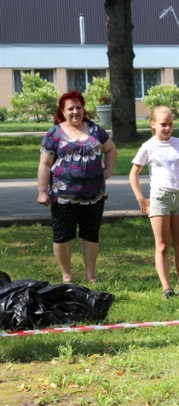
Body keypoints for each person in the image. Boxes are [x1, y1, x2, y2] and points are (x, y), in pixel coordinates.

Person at [37, 90, 117, 284]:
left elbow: (111, 149)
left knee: (91, 234)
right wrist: (42, 191)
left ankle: (91, 276)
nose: (75, 112)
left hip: (94, 194)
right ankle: (67, 277)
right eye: (70, 108)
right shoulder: (54, 133)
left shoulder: (96, 130)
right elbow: (45, 164)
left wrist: (108, 169)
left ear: (83, 109)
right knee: (62, 235)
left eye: (78, 107)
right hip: (63, 195)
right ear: (63, 111)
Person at [129, 106, 179, 300]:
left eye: (170, 124)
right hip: (160, 198)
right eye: (163, 124)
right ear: (153, 124)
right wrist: (141, 198)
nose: (167, 128)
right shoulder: (148, 146)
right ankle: (167, 289)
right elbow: (133, 174)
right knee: (162, 245)